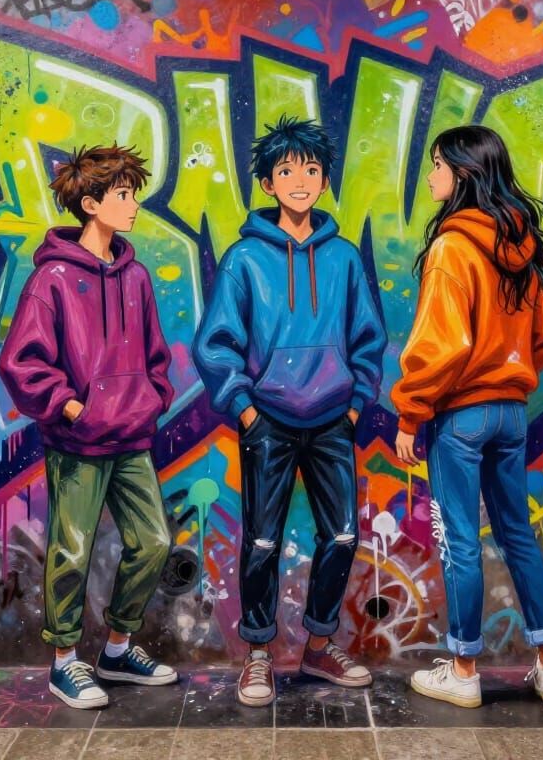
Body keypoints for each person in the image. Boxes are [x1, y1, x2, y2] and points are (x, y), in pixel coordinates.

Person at [192, 115, 387, 708]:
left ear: (324, 181)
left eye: (309, 169)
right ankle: (257, 654)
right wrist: (245, 409)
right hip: (268, 421)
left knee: (343, 533)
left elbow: (368, 338)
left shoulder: (346, 259)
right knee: (262, 542)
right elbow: (216, 342)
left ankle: (320, 646)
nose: (298, 179)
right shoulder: (244, 259)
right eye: (285, 170)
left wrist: (355, 405)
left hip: (332, 420)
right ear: (268, 183)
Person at [392, 125, 543, 708]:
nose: (431, 176)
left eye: (437, 164)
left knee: (461, 542)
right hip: (511, 414)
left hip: (462, 416)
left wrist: (410, 414)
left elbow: (440, 347)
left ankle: (464, 668)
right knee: (518, 534)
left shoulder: (452, 247)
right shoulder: (520, 244)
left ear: (463, 172)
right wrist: (510, 375)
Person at [0, 144, 177, 709]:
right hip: (76, 442)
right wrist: (71, 407)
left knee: (152, 542)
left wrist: (152, 398)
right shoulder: (52, 278)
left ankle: (119, 649)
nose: (133, 206)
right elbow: (20, 362)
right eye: (124, 196)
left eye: (133, 195)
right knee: (70, 552)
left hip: (131, 439)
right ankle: (64, 662)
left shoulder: (137, 276)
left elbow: (155, 355)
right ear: (93, 203)